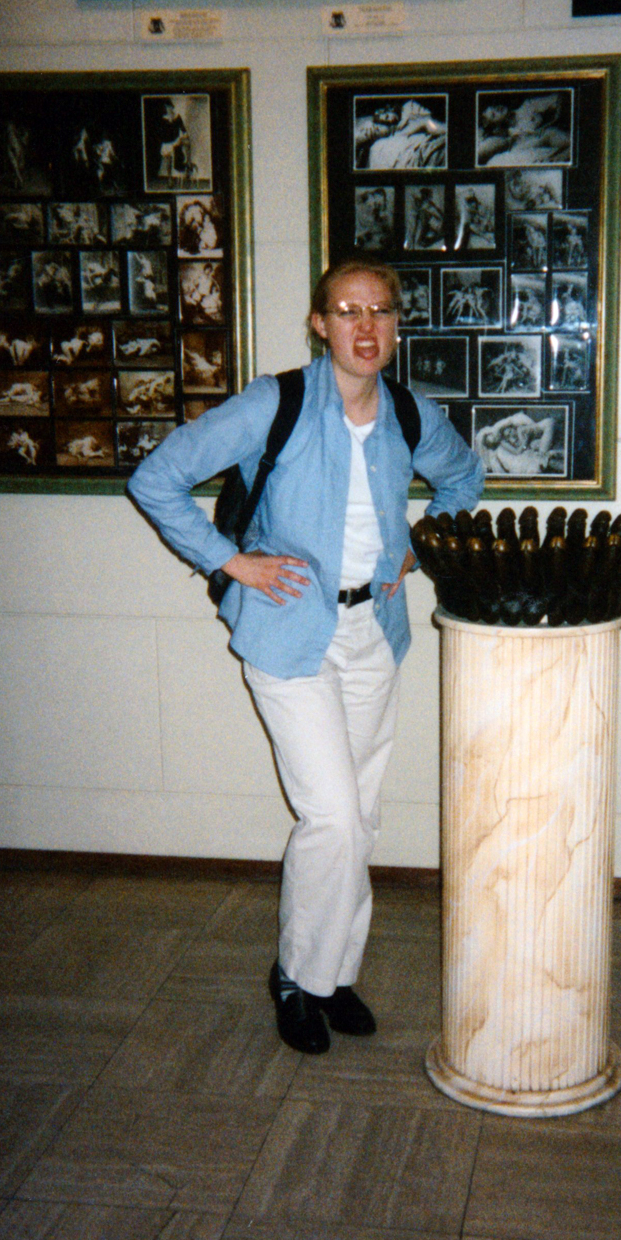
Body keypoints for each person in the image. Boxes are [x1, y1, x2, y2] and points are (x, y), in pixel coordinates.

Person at [127, 258, 483, 1054]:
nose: (366, 327)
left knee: (360, 815)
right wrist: (230, 560)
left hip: (373, 632)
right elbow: (156, 479)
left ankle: (333, 974)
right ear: (320, 324)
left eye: (380, 311)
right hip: (288, 632)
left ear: (396, 325)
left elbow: (464, 478)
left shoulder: (408, 412)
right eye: (347, 311)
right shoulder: (275, 402)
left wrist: (419, 547)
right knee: (331, 814)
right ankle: (295, 976)